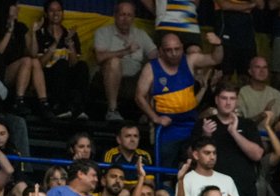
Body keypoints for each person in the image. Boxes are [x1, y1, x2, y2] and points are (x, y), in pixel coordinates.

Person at [135, 32, 224, 166]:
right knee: (165, 169)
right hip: (166, 128)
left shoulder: (189, 60)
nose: (174, 53)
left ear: (182, 48)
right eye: (168, 50)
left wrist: (218, 44)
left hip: (191, 125)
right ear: (160, 51)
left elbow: (215, 59)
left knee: (194, 163)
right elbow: (139, 96)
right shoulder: (151, 68)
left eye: (177, 49)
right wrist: (155, 118)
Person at [93, 0, 157, 122]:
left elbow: (155, 55)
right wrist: (125, 51)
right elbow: (99, 57)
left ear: (133, 18)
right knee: (114, 62)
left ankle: (148, 112)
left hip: (134, 83)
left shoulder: (140, 34)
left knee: (154, 66)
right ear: (115, 15)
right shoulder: (103, 32)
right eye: (122, 14)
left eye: (129, 15)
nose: (125, 19)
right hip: (108, 79)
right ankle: (112, 110)